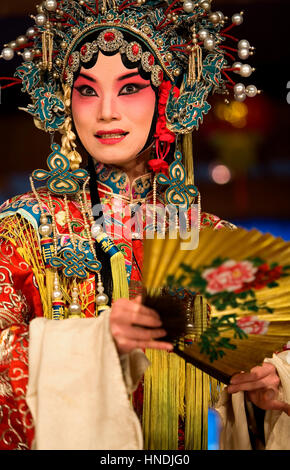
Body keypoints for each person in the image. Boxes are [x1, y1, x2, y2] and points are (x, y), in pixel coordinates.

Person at [0, 0, 289, 450]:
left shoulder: (212, 238)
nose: (107, 111)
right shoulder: (22, 228)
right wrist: (95, 344)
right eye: (88, 90)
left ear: (169, 99)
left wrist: (276, 381)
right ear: (64, 101)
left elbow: (265, 352)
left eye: (130, 87)